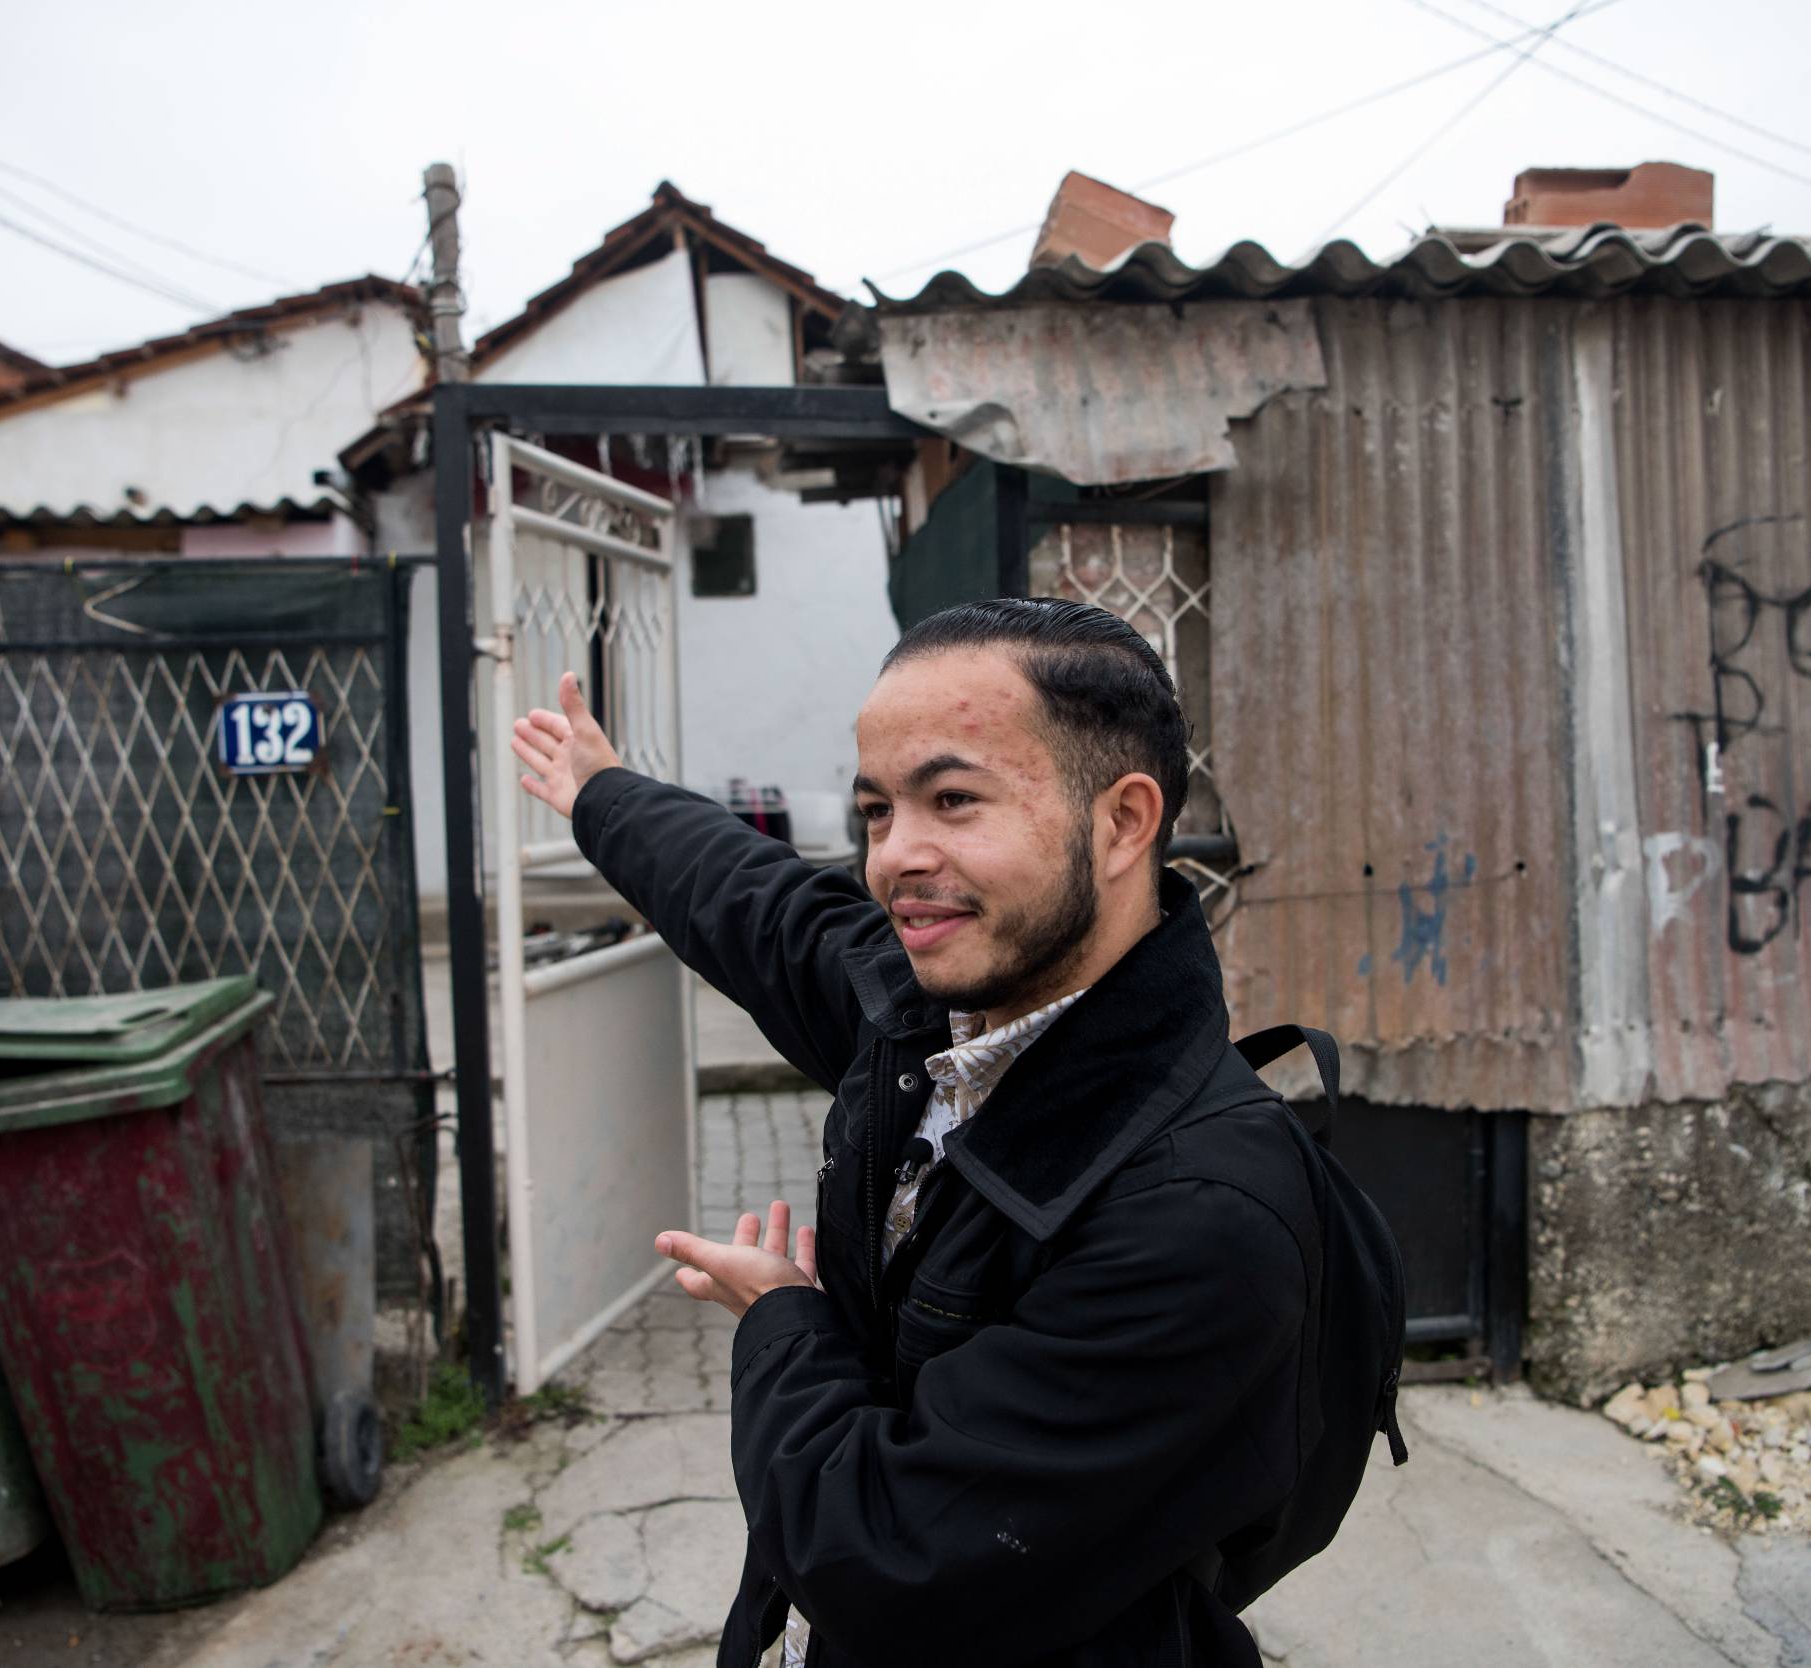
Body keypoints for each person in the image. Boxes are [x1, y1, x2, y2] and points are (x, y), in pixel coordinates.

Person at [511, 598, 1341, 1667]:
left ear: (1124, 821)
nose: (895, 857)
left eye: (953, 799)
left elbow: (883, 1556)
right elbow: (751, 901)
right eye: (873, 811)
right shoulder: (930, 1013)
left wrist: (782, 1321)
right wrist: (601, 796)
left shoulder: (1197, 1217)